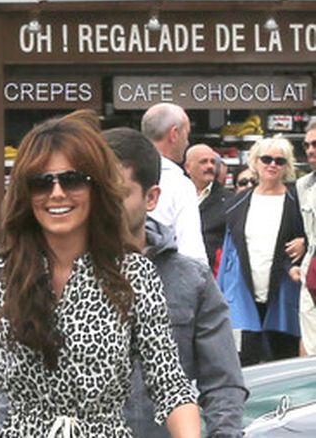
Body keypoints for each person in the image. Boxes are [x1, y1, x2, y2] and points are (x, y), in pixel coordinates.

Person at [0, 111, 200, 438]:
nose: (57, 193)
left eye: (72, 180)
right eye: (41, 182)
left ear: (96, 188)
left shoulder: (133, 274)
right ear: (26, 193)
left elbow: (170, 385)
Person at [104, 128, 246, 438]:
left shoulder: (191, 281)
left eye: (118, 194)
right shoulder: (61, 276)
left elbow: (223, 382)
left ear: (151, 197)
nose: (104, 207)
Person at [218, 136, 305, 366]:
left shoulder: (297, 201)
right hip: (243, 299)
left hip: (284, 298)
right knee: (245, 364)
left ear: (287, 166)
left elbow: (311, 235)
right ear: (255, 162)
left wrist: (304, 242)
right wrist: (221, 295)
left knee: (283, 364)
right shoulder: (238, 203)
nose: (272, 165)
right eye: (266, 159)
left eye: (280, 160)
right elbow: (228, 252)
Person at [141, 103, 208, 264]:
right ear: (174, 134)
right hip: (166, 275)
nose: (187, 142)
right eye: (186, 134)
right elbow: (191, 251)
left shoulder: (124, 175)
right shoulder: (180, 185)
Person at [184, 144, 235, 271]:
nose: (210, 166)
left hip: (212, 272)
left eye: (213, 162)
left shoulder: (230, 201)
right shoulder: (175, 195)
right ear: (188, 167)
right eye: (203, 162)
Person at [296, 120, 316, 356]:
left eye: (315, 144)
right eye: (307, 145)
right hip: (311, 271)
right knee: (311, 347)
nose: (310, 150)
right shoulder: (303, 185)